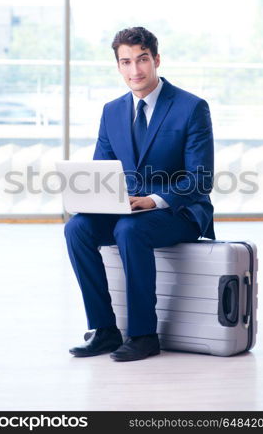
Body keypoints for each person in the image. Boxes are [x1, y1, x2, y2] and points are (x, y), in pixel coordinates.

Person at [64, 26, 215, 362]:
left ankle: (144, 335)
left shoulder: (191, 108)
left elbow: (200, 179)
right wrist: (89, 198)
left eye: (142, 60)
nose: (135, 70)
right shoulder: (112, 111)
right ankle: (104, 330)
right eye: (126, 62)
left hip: (180, 212)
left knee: (129, 229)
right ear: (118, 66)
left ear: (156, 60)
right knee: (76, 228)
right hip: (127, 209)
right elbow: (102, 171)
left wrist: (153, 201)